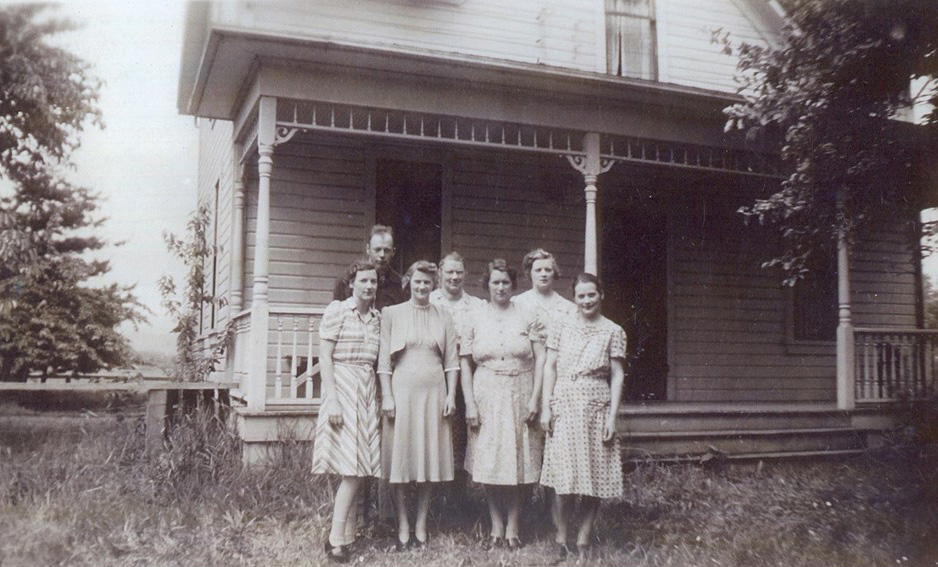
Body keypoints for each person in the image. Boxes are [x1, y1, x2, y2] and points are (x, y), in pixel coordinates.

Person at [539, 273, 627, 560]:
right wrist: (547, 406)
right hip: (565, 402)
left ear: (601, 295)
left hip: (596, 407)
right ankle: (561, 537)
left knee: (595, 475)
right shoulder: (561, 326)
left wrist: (612, 417)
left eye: (592, 294)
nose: (587, 300)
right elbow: (549, 366)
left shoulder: (613, 331)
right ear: (574, 298)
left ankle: (584, 538)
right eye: (581, 295)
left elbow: (616, 375)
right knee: (564, 477)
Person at [460, 259, 545, 549]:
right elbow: (464, 361)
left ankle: (514, 524)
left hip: (520, 390)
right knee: (490, 459)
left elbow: (542, 358)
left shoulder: (528, 313)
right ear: (487, 285)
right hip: (486, 393)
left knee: (520, 459)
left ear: (513, 285)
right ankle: (496, 522)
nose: (500, 287)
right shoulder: (475, 315)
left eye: (505, 282)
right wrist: (470, 402)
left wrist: (536, 398)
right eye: (495, 282)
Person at [378, 260, 459, 549]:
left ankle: (421, 523)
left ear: (434, 284)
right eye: (417, 281)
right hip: (402, 393)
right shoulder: (392, 314)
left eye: (427, 282)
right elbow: (383, 363)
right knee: (401, 458)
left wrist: (451, 395)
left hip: (434, 393)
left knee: (428, 458)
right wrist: (387, 396)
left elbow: (451, 361)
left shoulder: (445, 315)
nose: (422, 286)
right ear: (408, 283)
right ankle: (402, 522)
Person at [312, 260, 383, 562]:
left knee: (359, 467)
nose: (369, 286)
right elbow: (325, 357)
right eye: (364, 280)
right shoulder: (338, 310)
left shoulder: (377, 318)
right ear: (352, 282)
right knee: (351, 470)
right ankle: (334, 539)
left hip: (367, 391)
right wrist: (333, 400)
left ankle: (346, 536)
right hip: (342, 387)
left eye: (374, 282)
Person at [429, 251, 484, 473]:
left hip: (465, 374)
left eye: (459, 272)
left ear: (466, 274)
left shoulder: (477, 305)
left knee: (459, 436)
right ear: (441, 273)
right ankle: (432, 495)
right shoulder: (429, 299)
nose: (454, 277)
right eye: (449, 272)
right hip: (434, 372)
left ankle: (457, 499)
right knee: (433, 433)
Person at [334, 224, 406, 310]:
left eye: (386, 250)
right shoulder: (347, 280)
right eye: (377, 250)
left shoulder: (399, 284)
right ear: (368, 249)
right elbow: (336, 312)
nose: (382, 255)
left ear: (393, 252)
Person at [513, 248, 575, 334]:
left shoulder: (567, 307)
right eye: (538, 270)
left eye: (548, 270)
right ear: (530, 273)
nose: (543, 274)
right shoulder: (517, 302)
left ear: (554, 273)